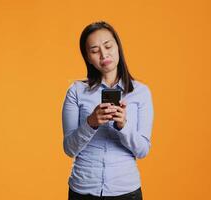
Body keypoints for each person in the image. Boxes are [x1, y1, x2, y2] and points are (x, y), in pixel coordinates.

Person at [62, 21, 154, 200]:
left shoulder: (140, 92)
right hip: (83, 190)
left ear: (118, 47)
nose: (104, 54)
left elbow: (142, 151)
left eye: (108, 46)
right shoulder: (76, 91)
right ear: (88, 57)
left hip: (126, 191)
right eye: (95, 50)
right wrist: (90, 123)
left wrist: (123, 126)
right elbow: (69, 149)